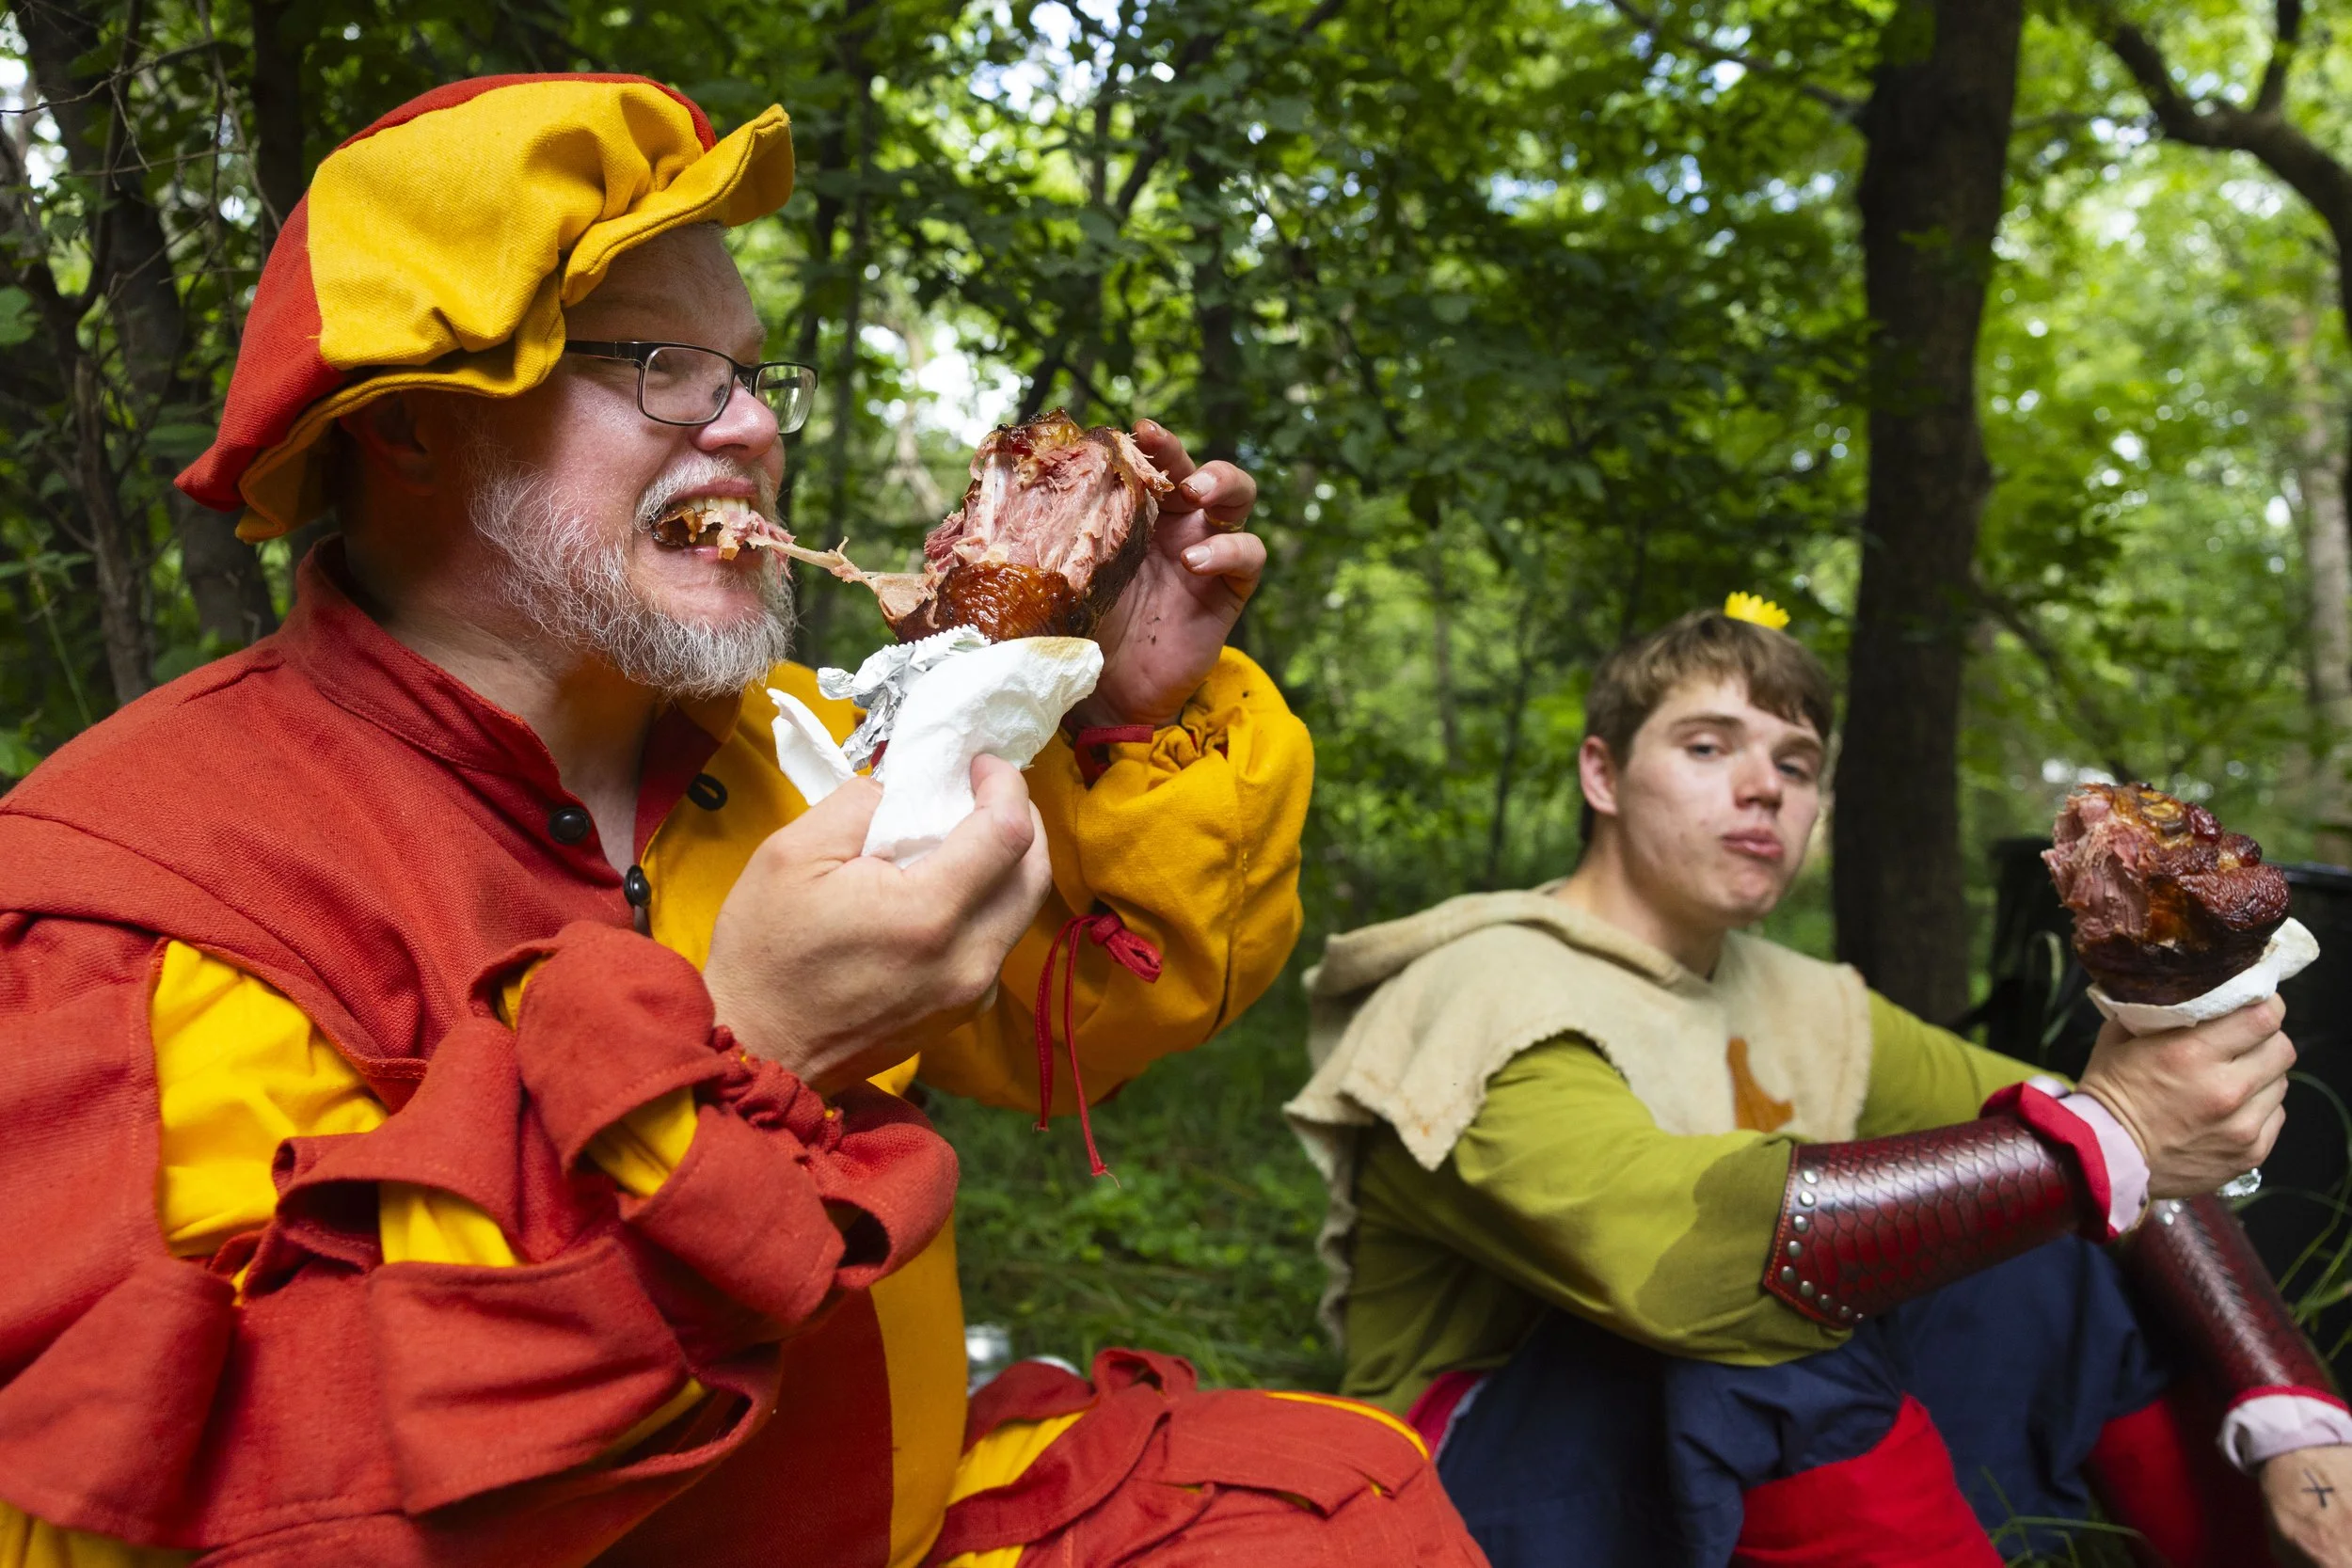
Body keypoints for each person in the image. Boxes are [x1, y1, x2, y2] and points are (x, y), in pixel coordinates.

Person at [0, 75, 1482, 1567]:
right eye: (665, 366)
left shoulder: (798, 743)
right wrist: (745, 1053)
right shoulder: (140, 885)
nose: (755, 425)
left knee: (1342, 1514)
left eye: (752, 374)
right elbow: (191, 1508)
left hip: (884, 1522)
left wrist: (1129, 711)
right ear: (413, 426)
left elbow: (1069, 1019)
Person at [1289, 597, 2352, 1567]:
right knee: (1765, 1327)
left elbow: (2103, 1144)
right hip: (1465, 1483)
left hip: (1700, 1451)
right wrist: (2109, 1133)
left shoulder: (1804, 998)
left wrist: (2291, 1409)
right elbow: (1677, 1270)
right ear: (1602, 775)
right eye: (1707, 746)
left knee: (2049, 1240)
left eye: (1796, 765)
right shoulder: (1480, 986)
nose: (1763, 786)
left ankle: (2288, 1539)